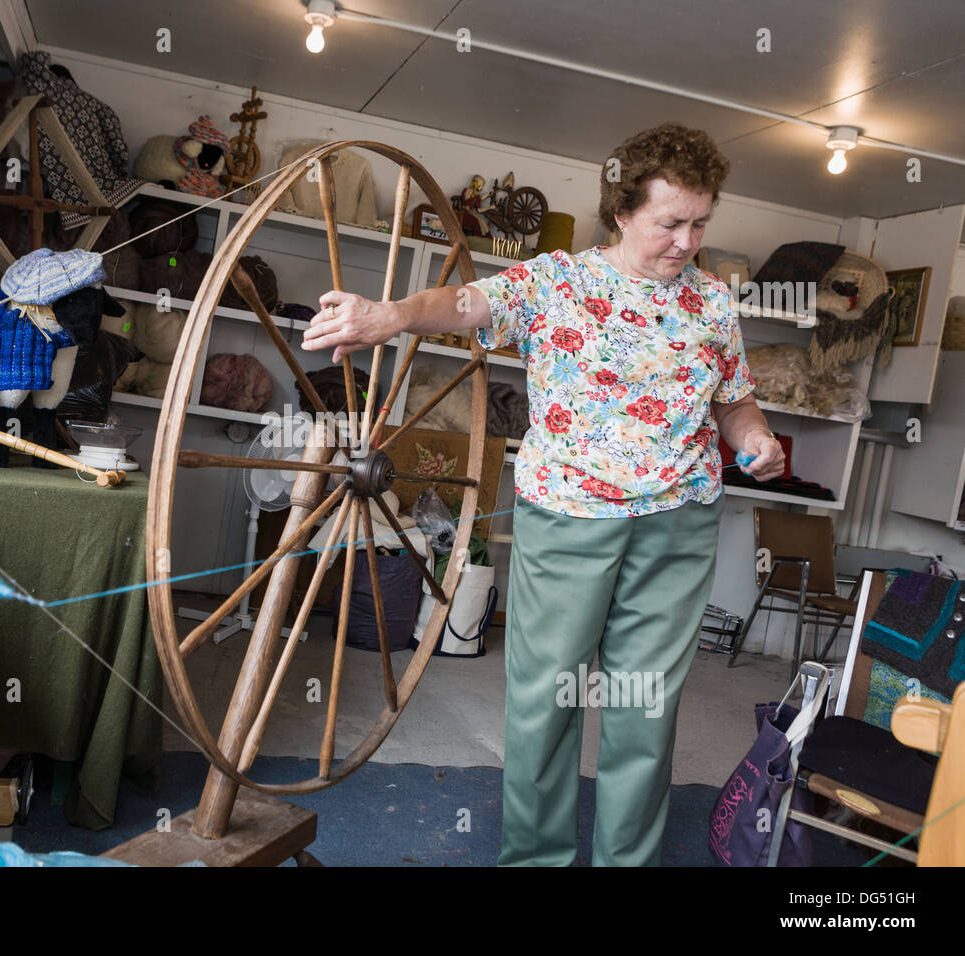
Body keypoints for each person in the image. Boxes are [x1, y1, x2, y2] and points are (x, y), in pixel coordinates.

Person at [302, 122, 785, 866]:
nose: (687, 241)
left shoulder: (714, 305)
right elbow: (462, 303)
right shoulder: (556, 282)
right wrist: (390, 317)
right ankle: (537, 859)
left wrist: (753, 437)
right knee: (547, 704)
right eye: (670, 223)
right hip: (570, 520)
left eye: (699, 223)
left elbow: (734, 400)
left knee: (644, 710)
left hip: (678, 523)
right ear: (622, 212)